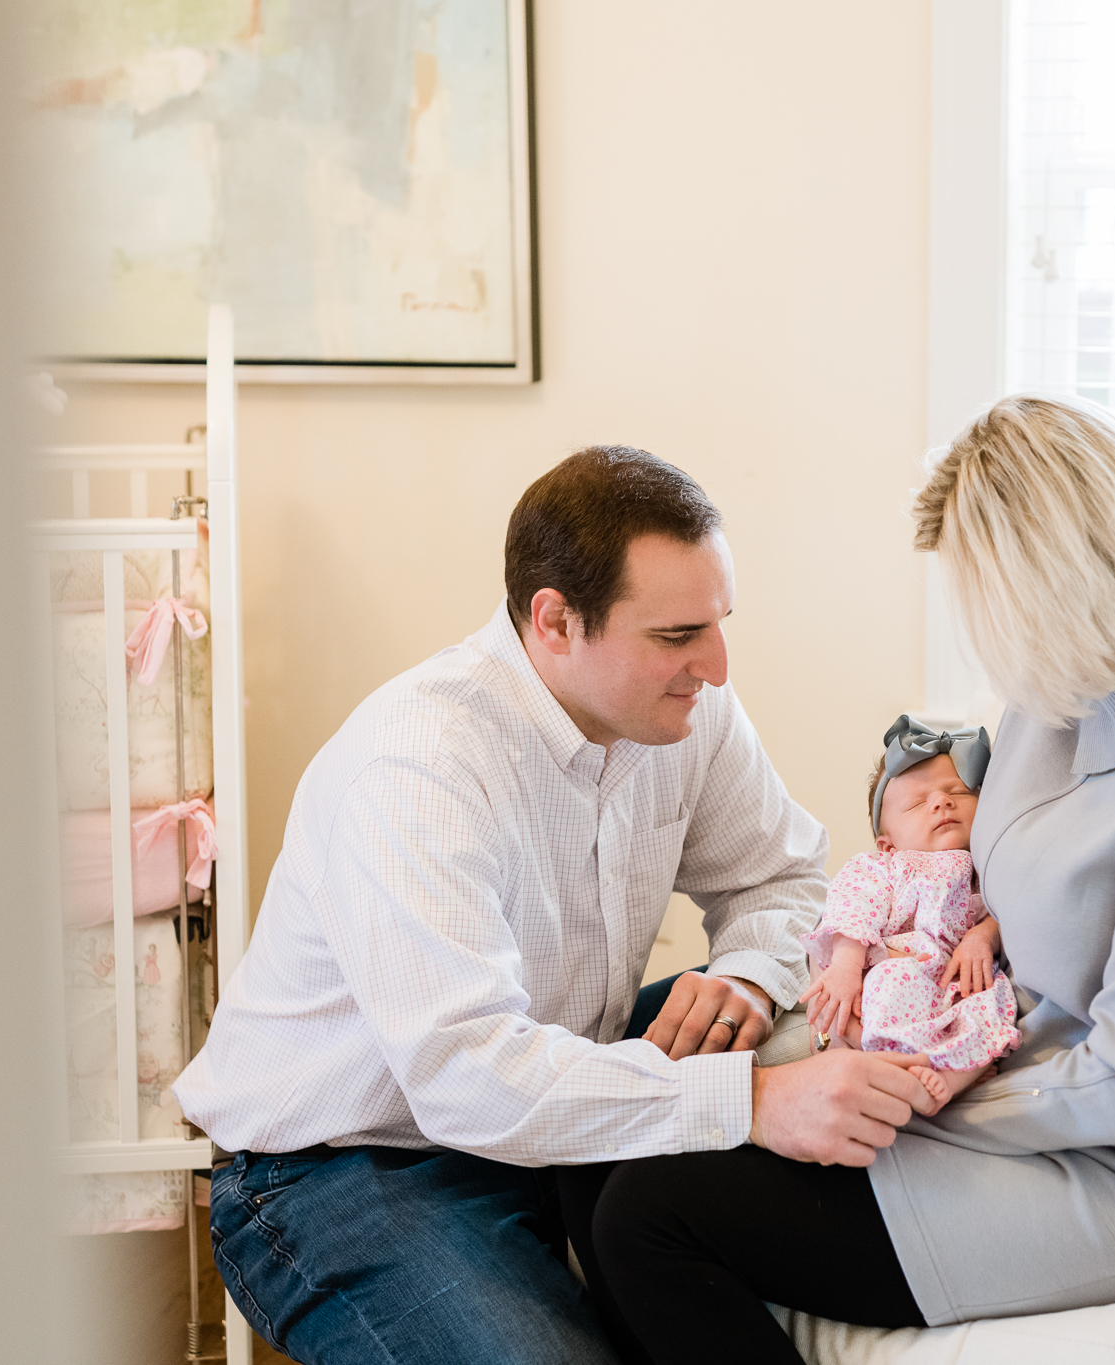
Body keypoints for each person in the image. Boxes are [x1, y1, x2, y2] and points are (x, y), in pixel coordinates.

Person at [577, 397, 1115, 1364]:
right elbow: (962, 883)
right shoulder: (1067, 692)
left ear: (1065, 587)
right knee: (648, 1044)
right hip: (982, 1058)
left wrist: (895, 1092)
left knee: (652, 1213)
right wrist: (840, 1003)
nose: (988, 650)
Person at [172, 446, 936, 1365]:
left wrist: (745, 973)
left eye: (719, 622)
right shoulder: (418, 770)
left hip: (557, 1088)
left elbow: (782, 877)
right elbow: (471, 1077)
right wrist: (757, 1100)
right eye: (677, 635)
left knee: (761, 1008)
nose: (717, 665)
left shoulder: (682, 717)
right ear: (555, 621)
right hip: (342, 1166)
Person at [797, 716, 1020, 1108]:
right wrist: (847, 968)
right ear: (888, 845)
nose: (942, 801)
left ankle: (948, 1081)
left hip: (956, 983)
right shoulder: (886, 867)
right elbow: (853, 910)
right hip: (902, 969)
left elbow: (1014, 908)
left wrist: (983, 934)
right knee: (888, 982)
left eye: (958, 792)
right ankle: (893, 1065)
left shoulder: (991, 867)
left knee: (993, 1003)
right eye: (919, 803)